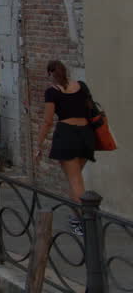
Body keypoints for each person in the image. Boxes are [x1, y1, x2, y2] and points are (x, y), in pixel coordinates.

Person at [34, 60, 97, 237]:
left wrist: (38, 145)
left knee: (75, 181)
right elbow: (90, 109)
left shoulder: (52, 92)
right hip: (86, 135)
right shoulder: (82, 86)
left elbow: (47, 121)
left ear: (50, 74)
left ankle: (85, 223)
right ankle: (76, 218)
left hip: (67, 135)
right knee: (76, 180)